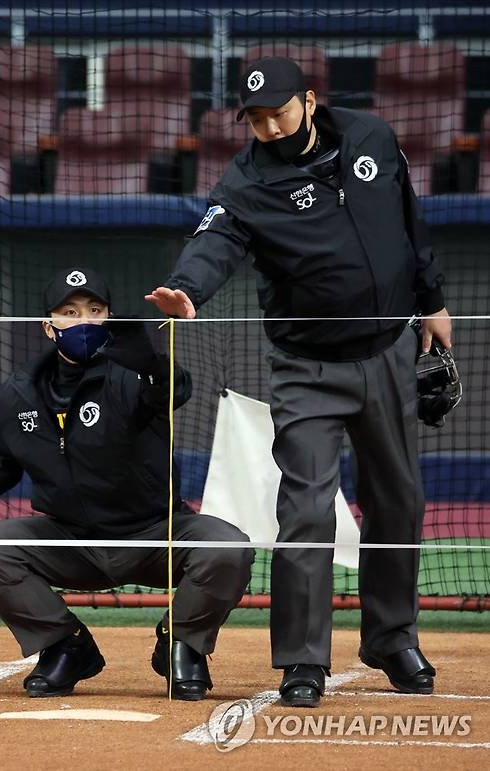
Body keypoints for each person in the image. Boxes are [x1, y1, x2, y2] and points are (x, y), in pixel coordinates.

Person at [146, 57, 452, 707]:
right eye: (254, 119)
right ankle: (302, 659)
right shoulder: (248, 179)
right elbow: (215, 240)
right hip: (307, 368)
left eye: (277, 113)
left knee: (399, 500)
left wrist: (432, 300)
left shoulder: (372, 137)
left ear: (310, 102)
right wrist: (187, 289)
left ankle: (390, 636)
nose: (267, 128)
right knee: (305, 512)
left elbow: (410, 221)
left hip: (389, 352)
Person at [0, 267, 253, 701]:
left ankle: (180, 642)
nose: (84, 320)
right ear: (48, 326)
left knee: (229, 546)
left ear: (109, 318)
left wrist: (152, 365)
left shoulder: (132, 373)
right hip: (70, 539)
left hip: (157, 533)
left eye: (95, 310)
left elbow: (175, 391)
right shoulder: (20, 393)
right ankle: (66, 646)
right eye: (70, 312)